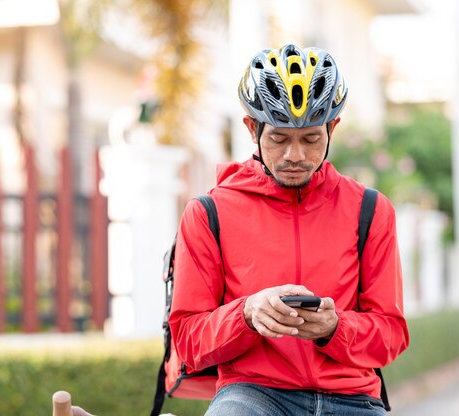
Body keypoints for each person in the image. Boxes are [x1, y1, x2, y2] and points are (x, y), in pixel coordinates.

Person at [168, 44, 409, 415]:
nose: (294, 155)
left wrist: (334, 327)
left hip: (353, 398)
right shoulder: (208, 213)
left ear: (333, 128)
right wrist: (246, 313)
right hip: (253, 395)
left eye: (311, 138)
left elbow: (391, 335)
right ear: (252, 129)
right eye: (279, 138)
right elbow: (188, 341)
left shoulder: (371, 210)